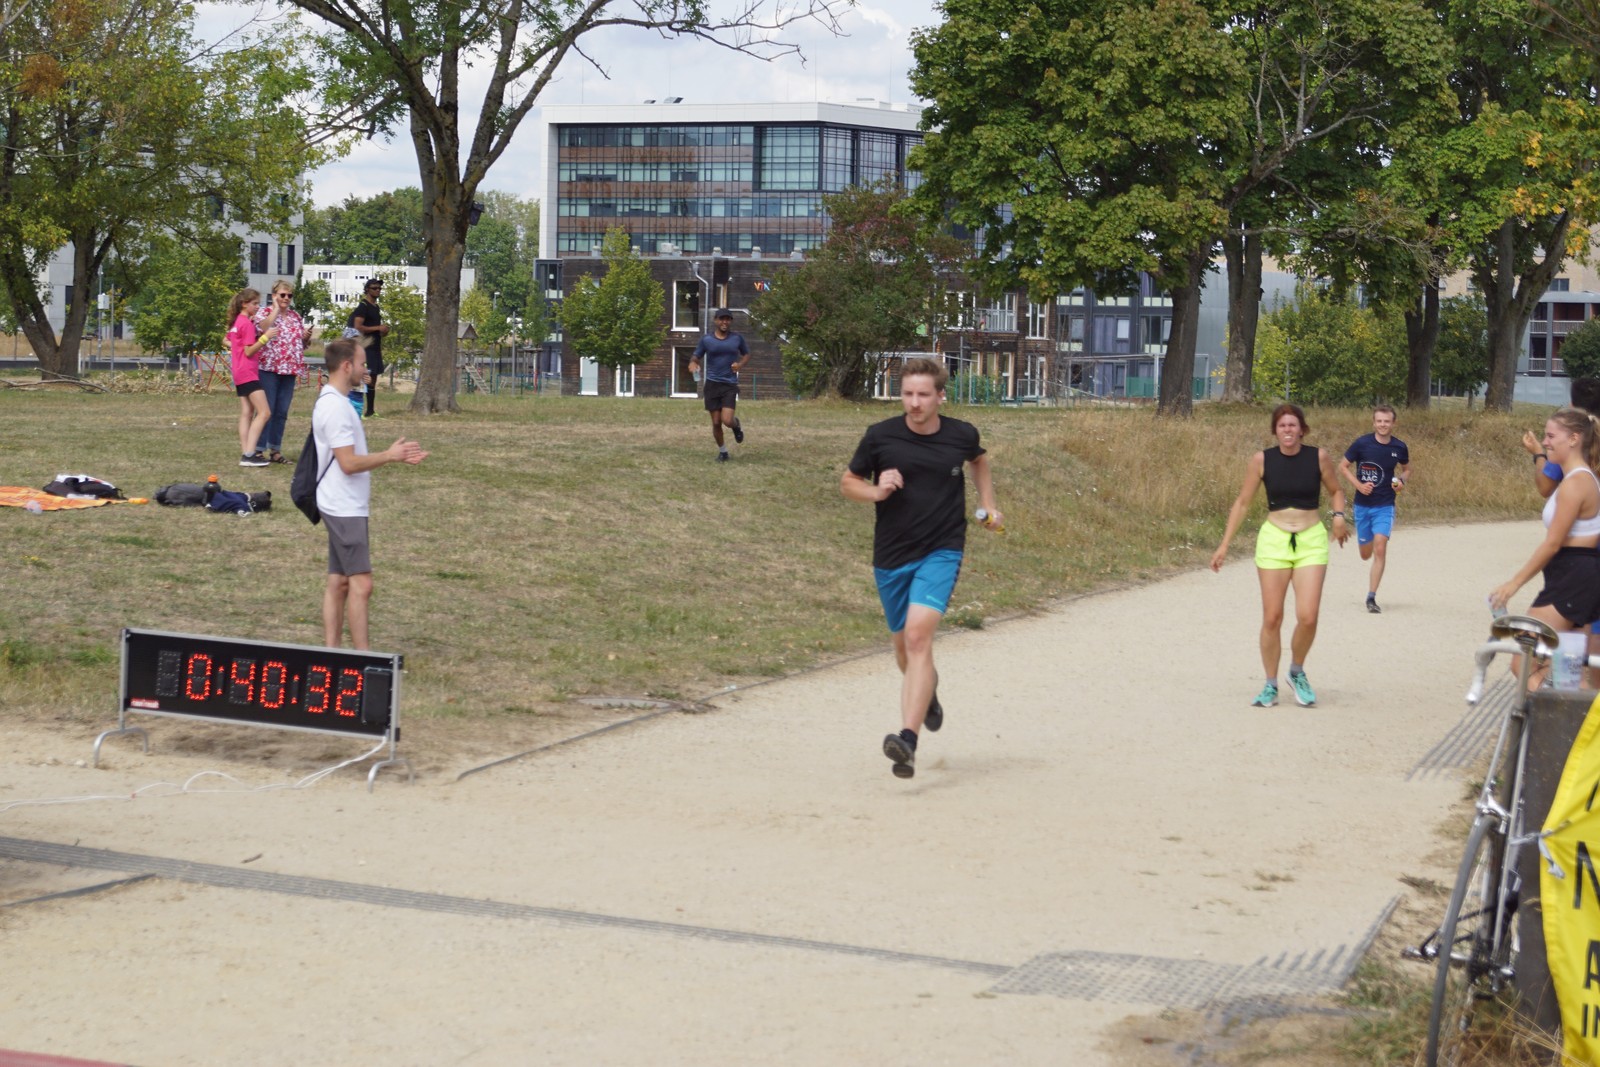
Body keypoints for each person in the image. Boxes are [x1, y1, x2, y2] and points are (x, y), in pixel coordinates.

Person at [841, 357, 1001, 779]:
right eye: (908, 394)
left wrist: (988, 504)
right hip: (891, 556)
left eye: (924, 395)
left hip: (941, 550)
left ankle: (907, 740)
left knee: (916, 638)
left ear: (940, 396)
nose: (915, 403)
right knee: (904, 652)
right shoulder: (880, 436)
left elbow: (978, 461)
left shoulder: (961, 434)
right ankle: (926, 693)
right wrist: (877, 491)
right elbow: (848, 483)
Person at [1211, 403, 1350, 708]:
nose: (1287, 430)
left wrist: (1339, 516)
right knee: (1272, 617)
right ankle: (1270, 684)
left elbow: (1336, 490)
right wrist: (1224, 544)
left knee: (1308, 616)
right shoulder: (1262, 460)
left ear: (1302, 429)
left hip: (1311, 540)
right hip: (1274, 540)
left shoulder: (1318, 457)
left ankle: (1296, 671)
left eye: (1292, 425)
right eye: (1282, 425)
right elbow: (1243, 502)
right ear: (1275, 430)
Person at [312, 339, 428, 649]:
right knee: (362, 585)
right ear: (346, 366)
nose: (367, 369)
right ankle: (361, 661)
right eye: (362, 364)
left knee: (339, 581)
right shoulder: (335, 408)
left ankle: (332, 654)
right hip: (343, 507)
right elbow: (348, 463)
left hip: (341, 503)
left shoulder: (335, 401)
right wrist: (390, 456)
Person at [1491, 407, 1600, 681]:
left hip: (1572, 579)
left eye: (1551, 436)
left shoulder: (1577, 483)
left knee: (1523, 664)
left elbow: (1553, 544)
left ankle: (1554, 710)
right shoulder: (1578, 478)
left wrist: (1513, 584)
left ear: (1574, 439)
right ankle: (1565, 706)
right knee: (1567, 672)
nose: (1545, 442)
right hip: (1574, 576)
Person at [1338, 404, 1411, 613]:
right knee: (1365, 554)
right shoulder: (1362, 444)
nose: (1383, 425)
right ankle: (1365, 543)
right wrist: (1359, 485)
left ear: (1393, 423)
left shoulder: (1399, 447)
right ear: (1374, 422)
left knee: (1380, 547)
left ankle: (1371, 598)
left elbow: (1407, 469)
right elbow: (1342, 466)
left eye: (1387, 421)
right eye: (1379, 421)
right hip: (1362, 506)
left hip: (1385, 505)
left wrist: (1401, 481)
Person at [253, 279, 310, 464]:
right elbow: (262, 328)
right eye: (282, 295)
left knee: (282, 411)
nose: (286, 298)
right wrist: (276, 309)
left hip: (289, 369)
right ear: (274, 295)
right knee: (266, 410)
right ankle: (258, 449)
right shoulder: (265, 312)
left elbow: (300, 343)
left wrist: (305, 338)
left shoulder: (295, 316)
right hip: (269, 368)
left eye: (289, 295)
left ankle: (275, 449)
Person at [687, 309, 748, 462]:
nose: (724, 322)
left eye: (727, 319)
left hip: (729, 384)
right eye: (721, 319)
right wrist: (693, 363)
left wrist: (740, 365)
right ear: (715, 320)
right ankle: (723, 452)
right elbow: (696, 356)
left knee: (727, 420)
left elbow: (746, 354)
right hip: (712, 384)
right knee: (716, 422)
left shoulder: (737, 338)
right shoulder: (707, 340)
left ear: (731, 321)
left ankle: (736, 425)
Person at [226, 288, 276, 467]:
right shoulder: (246, 324)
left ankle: (245, 453)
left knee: (247, 412)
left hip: (238, 372)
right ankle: (249, 454)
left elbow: (228, 340)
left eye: (258, 303)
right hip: (248, 372)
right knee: (265, 412)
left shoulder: (238, 322)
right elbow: (248, 351)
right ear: (244, 304)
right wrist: (265, 338)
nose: (257, 307)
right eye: (255, 303)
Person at [347, 278, 388, 418]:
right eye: (374, 288)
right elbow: (358, 327)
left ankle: (370, 410)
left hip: (374, 346)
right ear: (367, 290)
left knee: (373, 377)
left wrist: (382, 331)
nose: (378, 290)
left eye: (379, 288)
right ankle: (355, 408)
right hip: (364, 347)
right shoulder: (363, 307)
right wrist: (378, 327)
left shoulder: (376, 307)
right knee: (363, 378)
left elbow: (374, 328)